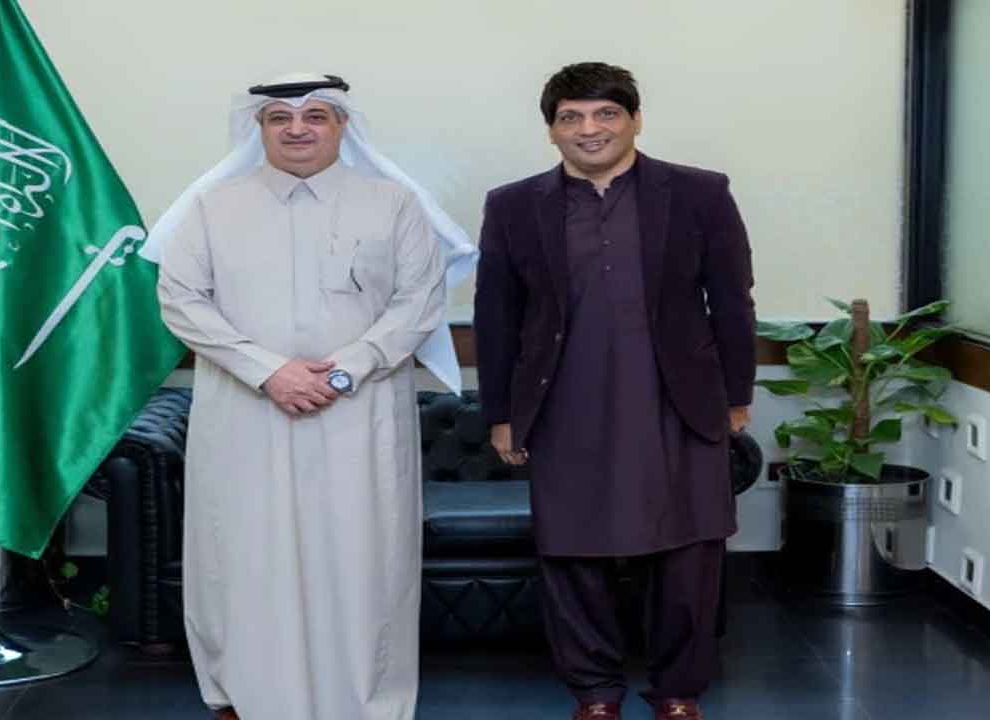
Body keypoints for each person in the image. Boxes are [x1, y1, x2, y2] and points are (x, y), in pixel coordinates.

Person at [149, 72, 476, 720]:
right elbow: (180, 300)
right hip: (247, 412)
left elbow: (418, 303)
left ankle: (365, 703)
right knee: (247, 555)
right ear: (259, 128)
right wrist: (269, 372)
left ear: (342, 126)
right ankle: (246, 697)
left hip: (360, 412)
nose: (297, 129)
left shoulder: (393, 204)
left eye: (316, 116)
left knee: (362, 559)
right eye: (280, 117)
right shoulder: (212, 207)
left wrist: (345, 371)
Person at [473, 62, 756, 720]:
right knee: (572, 552)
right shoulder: (513, 206)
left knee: (689, 552)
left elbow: (731, 300)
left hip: (678, 401)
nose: (588, 128)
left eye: (606, 113)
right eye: (570, 117)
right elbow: (497, 316)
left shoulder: (700, 193)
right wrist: (502, 414)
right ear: (551, 131)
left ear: (635, 121)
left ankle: (678, 691)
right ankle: (595, 693)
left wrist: (736, 394)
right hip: (563, 402)